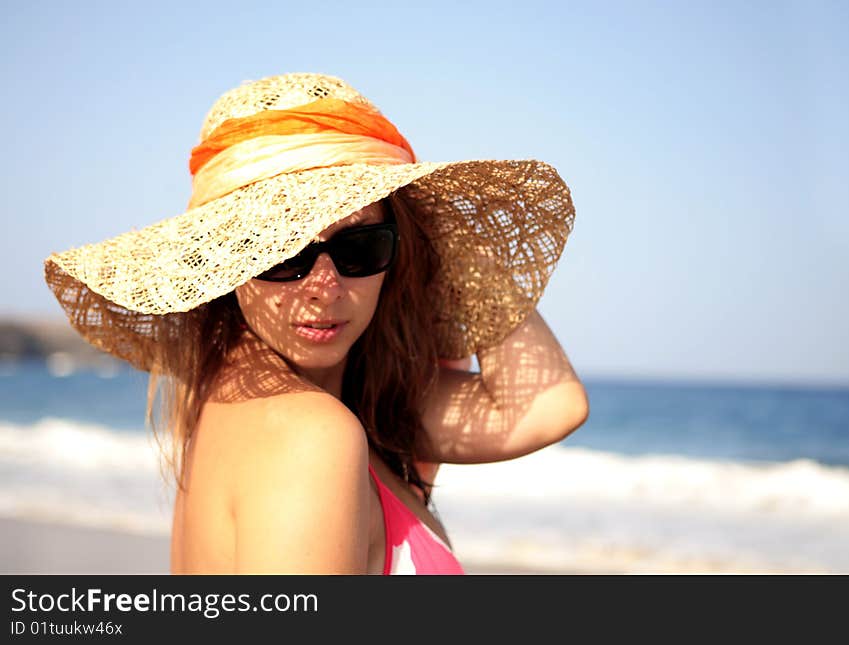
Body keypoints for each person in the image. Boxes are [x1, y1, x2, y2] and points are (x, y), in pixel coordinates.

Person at [43, 72, 589, 574]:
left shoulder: (245, 400)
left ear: (396, 257)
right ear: (227, 265)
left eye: (359, 247)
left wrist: (437, 236)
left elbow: (546, 405)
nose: (324, 285)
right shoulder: (310, 437)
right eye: (282, 251)